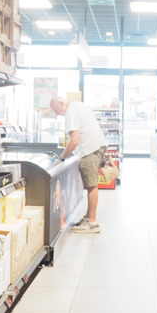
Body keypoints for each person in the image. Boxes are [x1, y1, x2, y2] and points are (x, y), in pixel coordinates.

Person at [49, 96, 108, 233]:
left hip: (89, 148)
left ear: (62, 103)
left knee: (91, 185)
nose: (57, 114)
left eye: (56, 110)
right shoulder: (79, 105)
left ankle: (92, 222)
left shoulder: (70, 111)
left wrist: (61, 158)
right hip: (96, 146)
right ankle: (88, 217)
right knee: (91, 184)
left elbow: (74, 140)